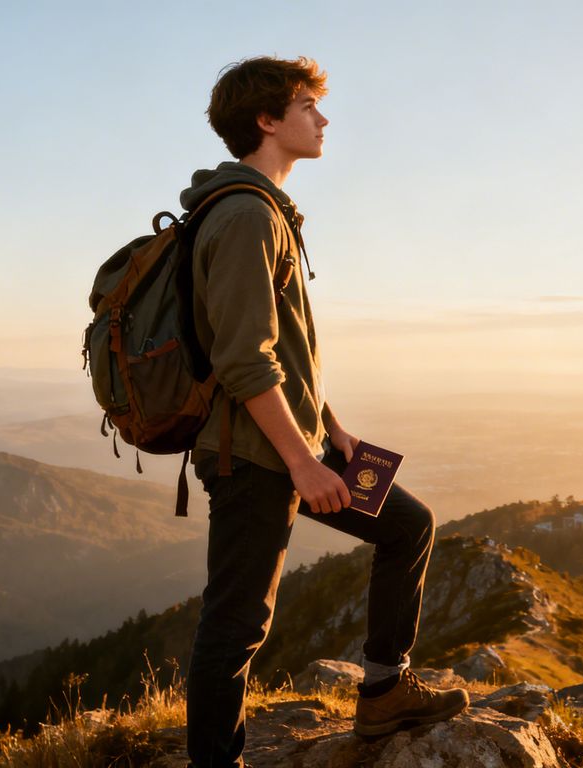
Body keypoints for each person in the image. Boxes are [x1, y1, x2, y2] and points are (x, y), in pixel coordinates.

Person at [181, 55, 468, 767]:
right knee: (238, 624)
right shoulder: (245, 216)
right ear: (266, 120)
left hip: (294, 438)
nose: (324, 119)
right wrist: (303, 463)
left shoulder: (268, 211)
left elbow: (285, 348)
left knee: (408, 524)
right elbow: (243, 359)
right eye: (308, 106)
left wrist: (330, 427)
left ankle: (383, 692)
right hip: (253, 453)